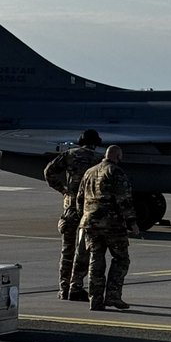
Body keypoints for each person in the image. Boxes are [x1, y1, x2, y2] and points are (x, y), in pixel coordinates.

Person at [77, 144, 139, 311]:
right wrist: (132, 223)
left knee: (96, 260)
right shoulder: (116, 172)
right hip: (112, 225)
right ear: (118, 156)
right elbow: (124, 200)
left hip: (90, 223)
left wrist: (85, 218)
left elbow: (79, 198)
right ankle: (113, 296)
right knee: (121, 259)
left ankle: (95, 299)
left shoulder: (89, 172)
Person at [43, 129, 103, 300]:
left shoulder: (69, 154)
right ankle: (76, 286)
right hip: (88, 207)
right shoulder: (98, 159)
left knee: (67, 249)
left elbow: (49, 171)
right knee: (83, 249)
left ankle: (64, 288)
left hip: (70, 207)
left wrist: (63, 190)